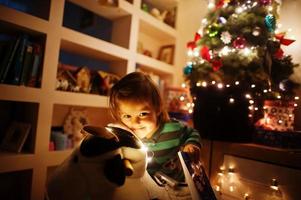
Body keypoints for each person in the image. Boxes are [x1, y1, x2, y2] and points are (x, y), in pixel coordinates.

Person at [109, 72, 202, 199]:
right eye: (127, 116)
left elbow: (192, 132)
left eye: (142, 114)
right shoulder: (126, 137)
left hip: (178, 190)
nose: (134, 123)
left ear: (157, 108)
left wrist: (192, 144)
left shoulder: (173, 128)